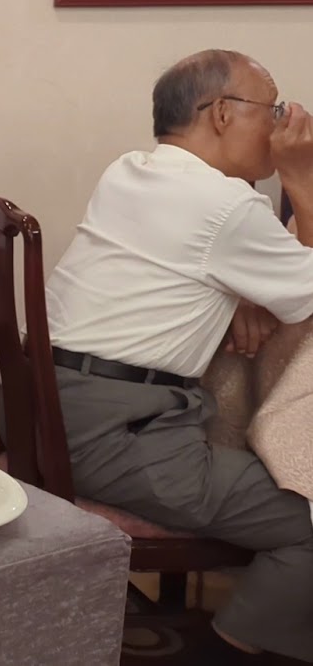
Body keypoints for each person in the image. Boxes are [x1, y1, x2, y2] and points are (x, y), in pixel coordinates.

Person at [45, 50, 313, 664]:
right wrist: (300, 177)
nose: (279, 125)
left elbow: (197, 256)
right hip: (117, 435)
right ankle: (224, 647)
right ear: (221, 114)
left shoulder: (129, 170)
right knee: (307, 520)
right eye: (272, 110)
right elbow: (306, 294)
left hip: (46, 410)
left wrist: (241, 292)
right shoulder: (227, 208)